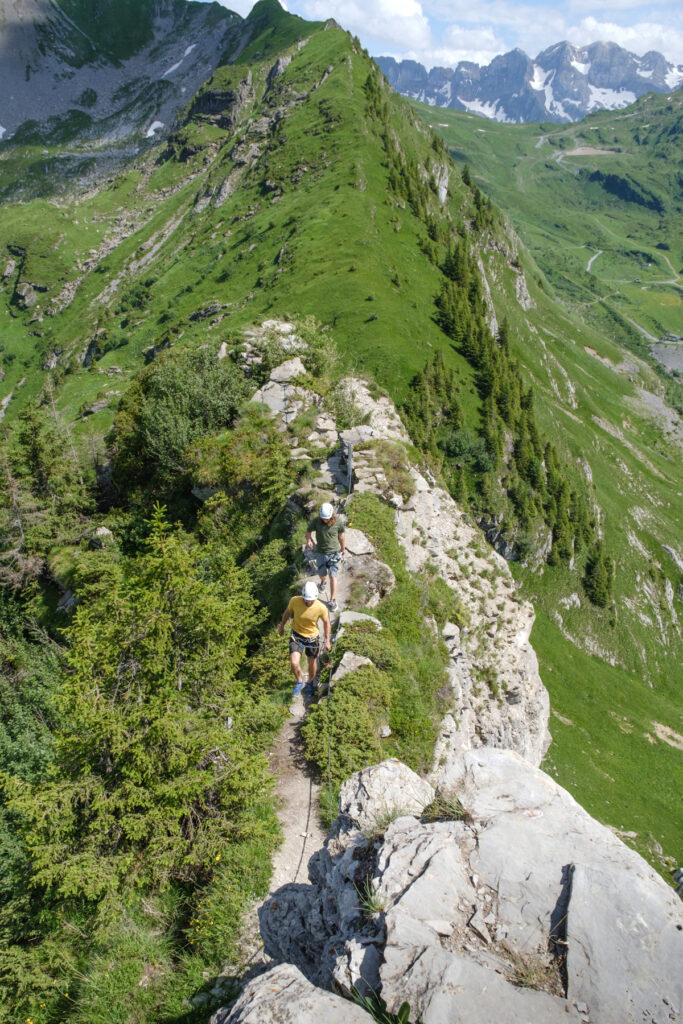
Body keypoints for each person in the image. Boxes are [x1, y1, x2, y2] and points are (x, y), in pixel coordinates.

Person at [278, 580, 331, 696]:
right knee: (294, 662)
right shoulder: (295, 601)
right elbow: (287, 613)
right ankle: (299, 681)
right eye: (307, 599)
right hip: (296, 635)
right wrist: (282, 626)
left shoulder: (321, 607)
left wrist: (327, 640)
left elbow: (327, 623)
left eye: (311, 600)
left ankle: (310, 682)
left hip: (312, 637)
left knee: (312, 662)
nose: (309, 602)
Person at [306, 502, 346, 611]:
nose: (324, 520)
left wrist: (343, 548)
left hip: (334, 553)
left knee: (333, 576)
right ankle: (323, 582)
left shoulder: (338, 522)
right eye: (323, 518)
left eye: (326, 518)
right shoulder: (316, 521)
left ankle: (332, 600)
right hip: (321, 553)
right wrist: (309, 540)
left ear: (331, 515)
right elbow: (308, 531)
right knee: (321, 573)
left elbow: (341, 536)